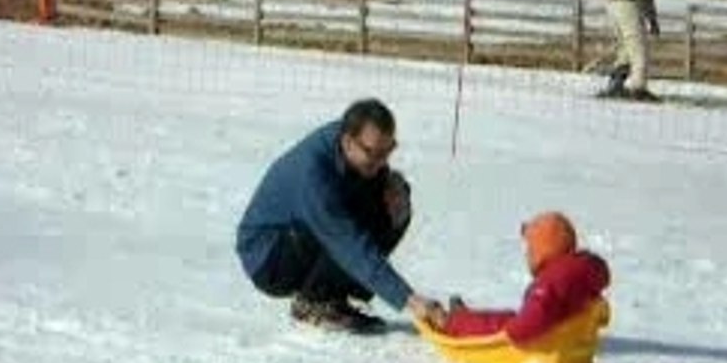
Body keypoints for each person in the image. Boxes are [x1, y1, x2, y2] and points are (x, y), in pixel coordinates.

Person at [236, 98, 438, 333]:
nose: (381, 161)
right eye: (372, 152)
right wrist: (410, 301)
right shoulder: (313, 176)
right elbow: (347, 243)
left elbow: (371, 188)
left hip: (303, 236)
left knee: (393, 205)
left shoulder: (353, 148)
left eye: (388, 151)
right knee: (344, 230)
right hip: (268, 258)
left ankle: (333, 296)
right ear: (347, 141)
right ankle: (313, 302)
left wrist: (395, 189)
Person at [424, 211, 610, 343]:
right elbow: (603, 311)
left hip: (538, 342)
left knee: (496, 325)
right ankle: (464, 316)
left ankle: (450, 322)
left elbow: (520, 330)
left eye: (530, 248)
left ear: (543, 251)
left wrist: (512, 330)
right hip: (558, 333)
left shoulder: (550, 283)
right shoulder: (582, 271)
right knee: (507, 316)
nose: (527, 254)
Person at [601, 0, 660, 101]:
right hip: (629, 6)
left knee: (625, 49)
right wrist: (653, 21)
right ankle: (638, 88)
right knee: (639, 50)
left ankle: (616, 83)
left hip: (613, 7)